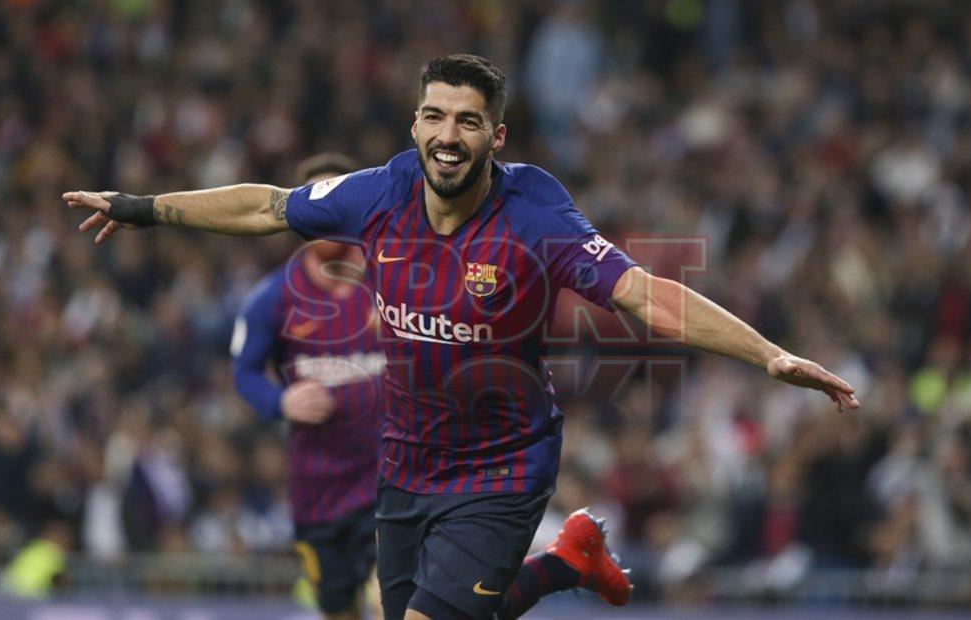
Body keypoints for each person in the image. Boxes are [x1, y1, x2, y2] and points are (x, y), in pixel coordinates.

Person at [63, 53, 859, 620]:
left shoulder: (536, 212)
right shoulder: (378, 193)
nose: (450, 135)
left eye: (469, 122)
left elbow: (643, 298)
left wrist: (770, 355)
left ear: (496, 137)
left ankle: (556, 555)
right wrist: (140, 207)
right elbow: (267, 207)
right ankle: (564, 563)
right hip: (405, 464)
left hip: (501, 470)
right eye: (436, 116)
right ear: (415, 124)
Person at [230, 153, 385, 620]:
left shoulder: (394, 281)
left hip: (393, 483)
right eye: (315, 205)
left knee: (391, 601)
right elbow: (243, 372)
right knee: (340, 611)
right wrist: (281, 400)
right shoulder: (271, 298)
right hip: (319, 492)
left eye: (337, 203)